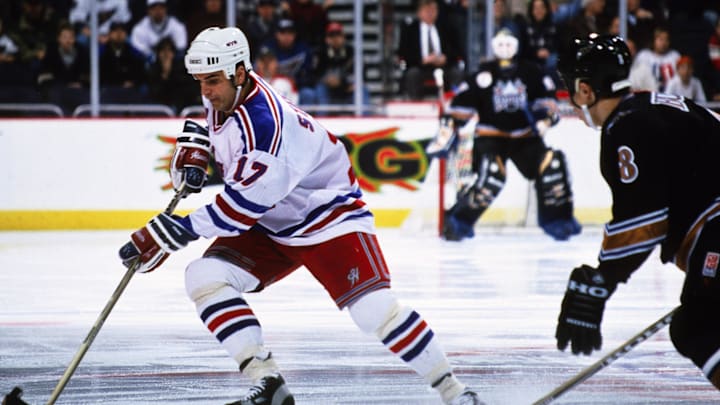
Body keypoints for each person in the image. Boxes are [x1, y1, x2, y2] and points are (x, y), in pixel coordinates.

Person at [117, 26, 483, 405]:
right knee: (204, 276)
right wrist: (198, 155)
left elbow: (241, 208)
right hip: (273, 219)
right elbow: (225, 146)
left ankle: (456, 394)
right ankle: (268, 384)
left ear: (240, 73)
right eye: (200, 82)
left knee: (374, 311)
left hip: (326, 217)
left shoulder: (266, 126)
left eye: (212, 81)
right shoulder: (225, 95)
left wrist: (175, 230)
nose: (206, 92)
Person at [555, 33, 720, 391]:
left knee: (697, 326)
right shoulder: (651, 107)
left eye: (570, 85)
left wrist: (604, 280)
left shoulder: (626, 127)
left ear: (585, 90)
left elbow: (645, 221)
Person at [437, 29, 581, 242]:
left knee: (553, 165)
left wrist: (545, 120)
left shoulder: (532, 72)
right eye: (500, 44)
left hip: (525, 137)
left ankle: (558, 220)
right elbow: (460, 107)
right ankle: (458, 221)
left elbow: (549, 102)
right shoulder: (482, 75)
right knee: (492, 176)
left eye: (509, 43)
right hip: (490, 137)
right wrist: (449, 127)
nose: (505, 49)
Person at [397, 0, 463, 100]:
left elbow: (457, 50)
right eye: (427, 10)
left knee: (457, 73)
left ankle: (455, 103)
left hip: (444, 67)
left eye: (433, 9)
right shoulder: (410, 30)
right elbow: (404, 53)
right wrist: (423, 60)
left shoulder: (446, 27)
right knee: (412, 74)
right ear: (419, 12)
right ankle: (416, 103)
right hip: (420, 67)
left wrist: (445, 58)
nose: (430, 13)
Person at [312, 21, 371, 115]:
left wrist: (345, 82)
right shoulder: (320, 53)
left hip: (347, 88)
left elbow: (362, 73)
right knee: (320, 90)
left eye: (338, 35)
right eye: (332, 35)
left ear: (343, 37)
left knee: (362, 90)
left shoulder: (352, 52)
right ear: (327, 38)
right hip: (327, 89)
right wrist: (326, 80)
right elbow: (315, 74)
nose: (335, 39)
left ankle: (364, 121)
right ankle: (322, 123)